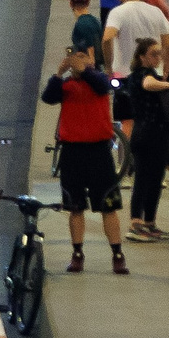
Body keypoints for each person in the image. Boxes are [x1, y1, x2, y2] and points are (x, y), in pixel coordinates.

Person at [41, 43, 124, 274]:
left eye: (81, 57)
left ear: (90, 59)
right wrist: (59, 73)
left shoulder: (99, 80)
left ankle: (117, 253)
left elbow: (102, 86)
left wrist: (85, 69)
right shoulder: (66, 85)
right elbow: (48, 98)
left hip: (99, 152)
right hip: (72, 152)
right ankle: (77, 253)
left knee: (108, 205)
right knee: (75, 206)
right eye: (73, 58)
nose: (76, 62)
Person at [122, 37, 169, 241]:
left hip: (152, 134)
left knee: (154, 180)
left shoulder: (137, 76)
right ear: (142, 57)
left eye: (159, 54)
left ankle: (149, 223)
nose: (158, 57)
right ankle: (136, 224)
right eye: (153, 54)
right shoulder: (144, 75)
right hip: (150, 134)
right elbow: (148, 84)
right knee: (143, 179)